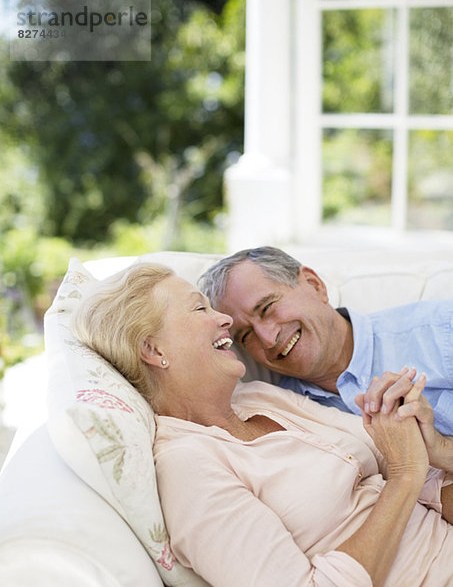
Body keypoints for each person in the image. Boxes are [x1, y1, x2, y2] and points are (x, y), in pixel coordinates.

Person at [72, 261, 453, 587]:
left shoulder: (259, 396)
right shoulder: (187, 467)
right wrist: (404, 477)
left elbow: (420, 475)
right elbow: (405, 472)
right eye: (199, 310)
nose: (223, 320)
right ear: (154, 350)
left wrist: (425, 450)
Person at [199, 246, 453, 435]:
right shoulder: (283, 415)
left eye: (267, 308)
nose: (267, 338)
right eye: (246, 335)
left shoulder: (441, 328)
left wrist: (442, 450)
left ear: (314, 284)